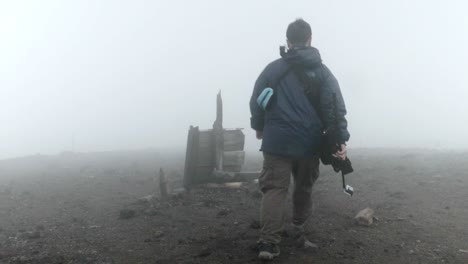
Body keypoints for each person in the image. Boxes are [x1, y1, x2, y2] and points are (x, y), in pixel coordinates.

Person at [249, 18, 350, 260]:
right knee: (303, 186)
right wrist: (340, 139)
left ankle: (268, 243)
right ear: (310, 39)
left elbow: (256, 101)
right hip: (309, 143)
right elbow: (333, 108)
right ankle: (299, 230)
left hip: (276, 142)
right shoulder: (323, 73)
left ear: (288, 41)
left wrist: (259, 127)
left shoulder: (272, 69)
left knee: (274, 189)